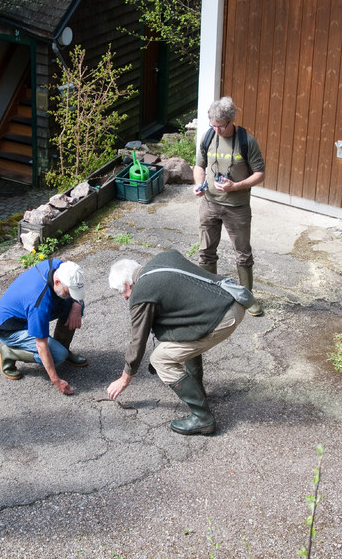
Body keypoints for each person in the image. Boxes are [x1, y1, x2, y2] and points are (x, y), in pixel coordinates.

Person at [106, 250, 246, 436]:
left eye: (121, 292)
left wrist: (124, 379)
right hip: (232, 300)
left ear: (128, 284)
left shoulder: (141, 292)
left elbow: (137, 341)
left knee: (160, 359)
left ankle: (203, 418)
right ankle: (198, 390)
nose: (124, 297)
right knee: (183, 340)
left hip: (220, 318)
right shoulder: (163, 259)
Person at [193, 96, 265, 316]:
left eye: (221, 126)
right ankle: (210, 294)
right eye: (213, 126)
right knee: (206, 252)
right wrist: (199, 185)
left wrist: (236, 186)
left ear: (231, 121)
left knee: (243, 253)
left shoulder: (247, 141)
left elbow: (260, 174)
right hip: (209, 204)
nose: (217, 130)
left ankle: (246, 298)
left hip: (237, 206)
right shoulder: (208, 136)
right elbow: (199, 166)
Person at [0, 258, 87, 395]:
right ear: (57, 282)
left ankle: (63, 348)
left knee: (74, 305)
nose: (72, 295)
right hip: (10, 328)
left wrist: (77, 304)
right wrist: (56, 380)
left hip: (27, 312)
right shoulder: (39, 304)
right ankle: (8, 352)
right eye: (68, 291)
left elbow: (74, 295)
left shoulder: (59, 266)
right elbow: (41, 345)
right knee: (58, 355)